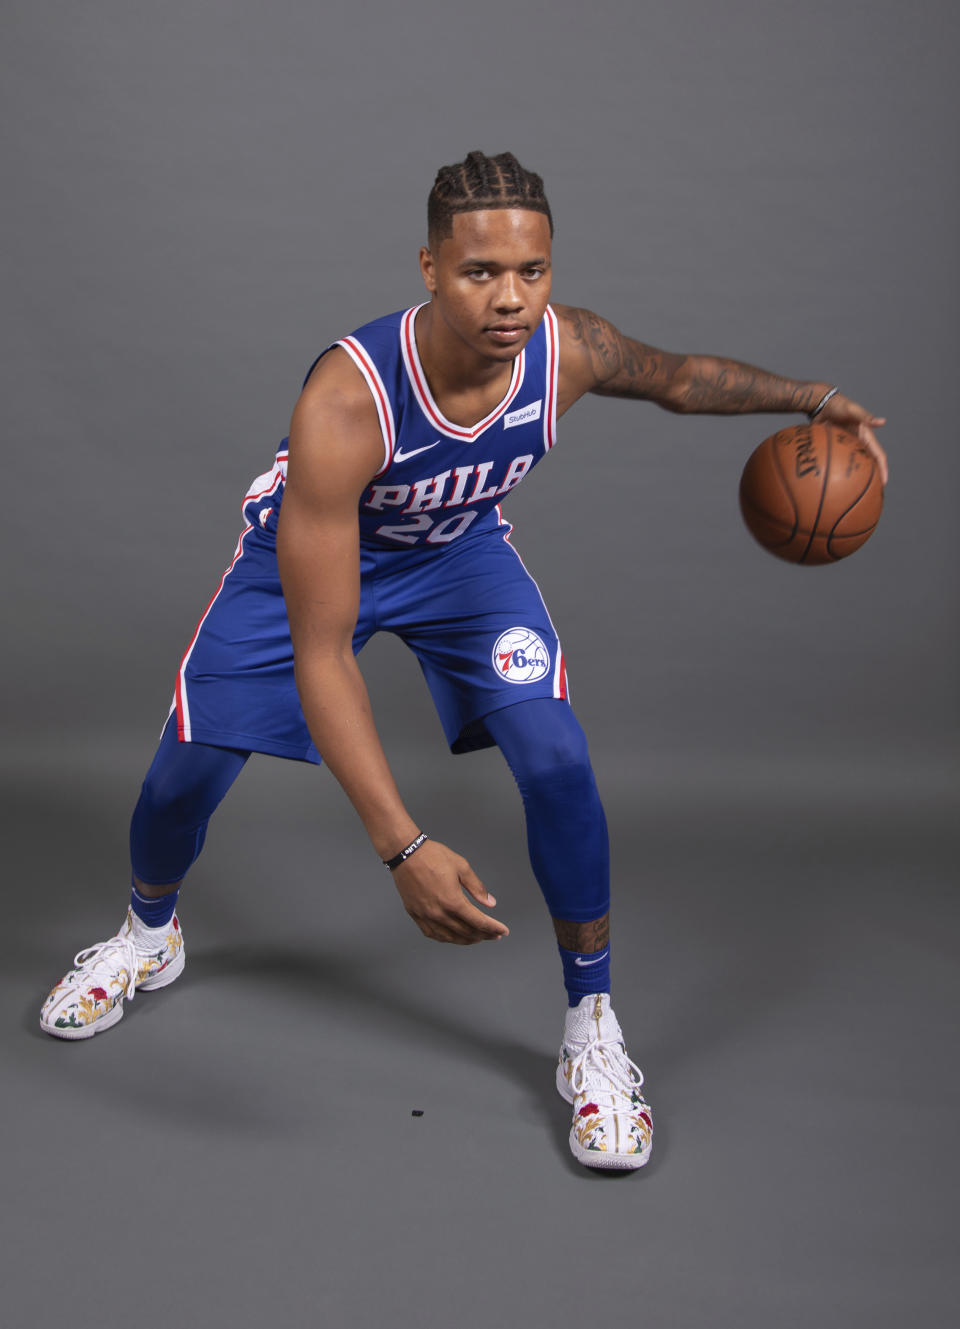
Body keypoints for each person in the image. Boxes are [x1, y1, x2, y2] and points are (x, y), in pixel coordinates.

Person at [39, 151, 887, 1171]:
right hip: (308, 567)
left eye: (531, 271)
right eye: (481, 271)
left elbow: (680, 381)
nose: (510, 297)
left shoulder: (568, 351)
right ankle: (147, 934)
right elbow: (322, 653)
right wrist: (402, 847)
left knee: (560, 763)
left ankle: (593, 1031)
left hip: (459, 559)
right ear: (431, 269)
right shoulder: (347, 401)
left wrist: (817, 396)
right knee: (186, 774)